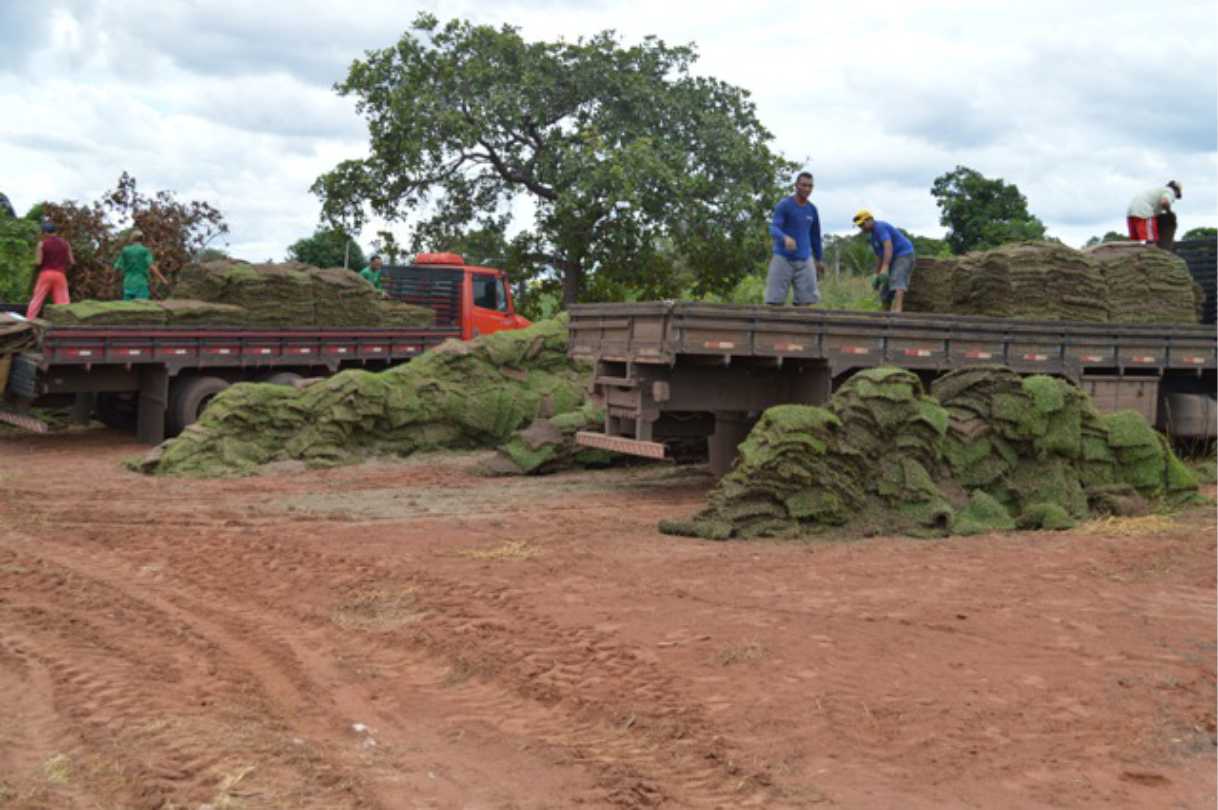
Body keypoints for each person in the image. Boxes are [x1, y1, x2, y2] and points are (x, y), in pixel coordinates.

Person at [766, 172, 826, 306]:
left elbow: (815, 237)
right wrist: (785, 238)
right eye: (804, 185)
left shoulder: (812, 209)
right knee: (774, 302)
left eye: (810, 186)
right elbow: (774, 228)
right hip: (783, 257)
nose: (807, 189)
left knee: (807, 301)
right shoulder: (784, 205)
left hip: (805, 259)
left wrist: (819, 259)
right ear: (796, 186)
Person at [854, 210, 915, 314]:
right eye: (860, 226)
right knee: (885, 290)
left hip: (903, 254)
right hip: (892, 258)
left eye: (863, 224)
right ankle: (884, 313)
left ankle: (897, 311)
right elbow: (879, 256)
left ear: (870, 220)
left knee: (897, 280)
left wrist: (885, 267)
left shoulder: (880, 227)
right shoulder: (873, 237)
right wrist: (877, 275)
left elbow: (888, 246)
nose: (862, 228)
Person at [26, 221, 74, 319]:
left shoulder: (42, 244)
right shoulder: (66, 243)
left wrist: (32, 263)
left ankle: (29, 319)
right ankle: (64, 322)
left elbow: (38, 262)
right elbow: (72, 261)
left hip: (46, 274)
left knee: (37, 299)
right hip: (60, 275)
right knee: (63, 302)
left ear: (45, 232)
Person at [113, 229, 168, 300]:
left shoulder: (125, 251)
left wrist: (112, 280)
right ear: (142, 239)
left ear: (131, 239)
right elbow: (152, 267)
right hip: (141, 284)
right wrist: (163, 279)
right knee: (141, 308)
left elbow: (117, 268)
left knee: (127, 309)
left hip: (128, 284)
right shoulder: (145, 251)